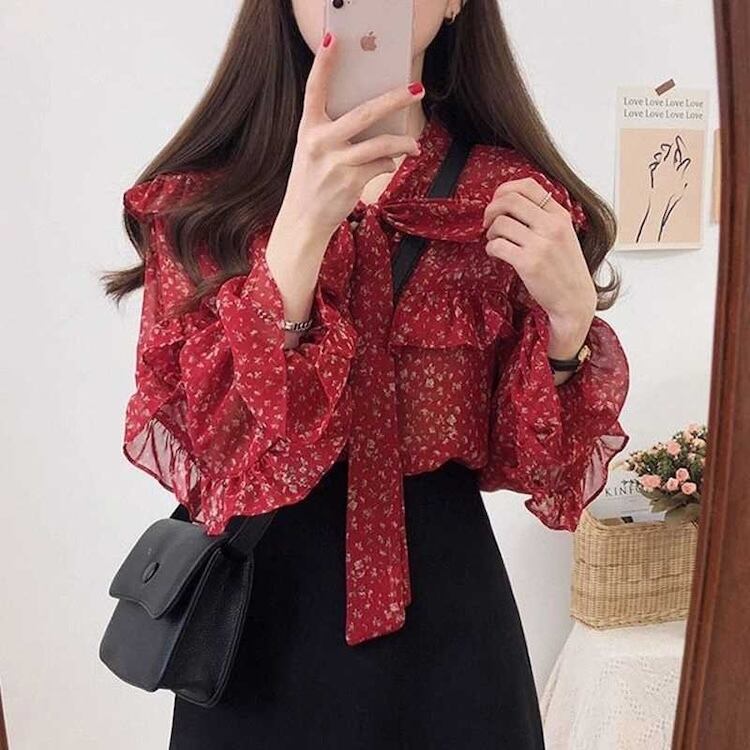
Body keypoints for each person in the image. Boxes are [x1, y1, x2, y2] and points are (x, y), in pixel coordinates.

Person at [103, 1, 630, 747]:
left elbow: (534, 469)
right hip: (258, 623)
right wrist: (297, 236)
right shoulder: (203, 206)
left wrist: (570, 324)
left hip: (451, 624)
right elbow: (212, 450)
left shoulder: (508, 199)